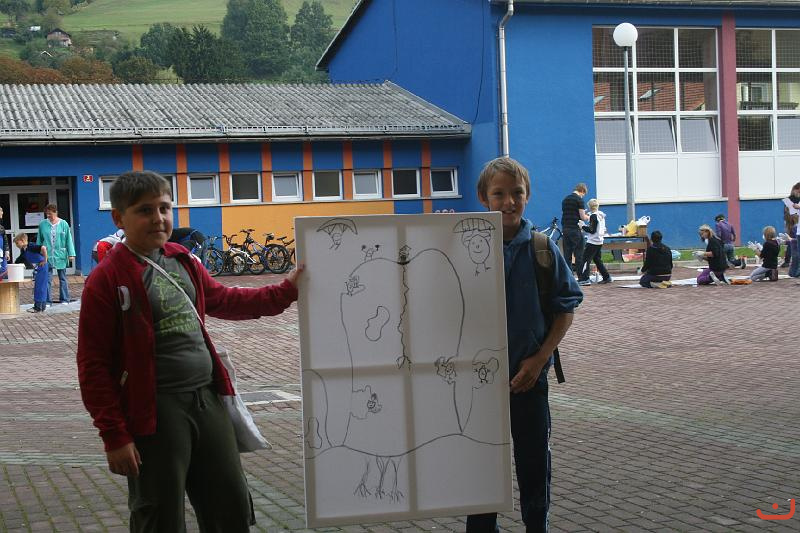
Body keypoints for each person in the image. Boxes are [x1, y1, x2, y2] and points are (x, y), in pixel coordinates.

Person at [76, 170, 305, 532]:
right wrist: (114, 436)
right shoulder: (106, 279)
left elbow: (226, 300)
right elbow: (93, 365)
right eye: (145, 210)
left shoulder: (182, 259)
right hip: (155, 411)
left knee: (230, 505)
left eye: (164, 208)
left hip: (207, 398)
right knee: (159, 514)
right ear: (119, 218)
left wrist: (285, 291)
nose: (158, 218)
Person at [468, 157, 583, 532]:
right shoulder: (463, 247)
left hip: (528, 382)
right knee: (481, 470)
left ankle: (537, 525)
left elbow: (565, 308)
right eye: (498, 194)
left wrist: (539, 359)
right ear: (483, 198)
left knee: (534, 466)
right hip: (476, 386)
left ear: (528, 195)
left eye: (516, 193)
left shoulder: (542, 249)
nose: (508, 202)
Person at [36, 204, 76, 304]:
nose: (48, 216)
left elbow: (68, 239)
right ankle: (47, 301)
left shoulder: (64, 224)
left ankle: (64, 299)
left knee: (63, 278)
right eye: (47, 214)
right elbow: (39, 240)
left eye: (50, 214)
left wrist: (71, 254)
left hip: (60, 254)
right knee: (47, 279)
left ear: (55, 212)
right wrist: (38, 254)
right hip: (47, 255)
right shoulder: (42, 224)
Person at [577, 198, 611, 286]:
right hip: (599, 241)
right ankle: (606, 277)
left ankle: (584, 279)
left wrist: (582, 226)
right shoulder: (600, 215)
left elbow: (592, 230)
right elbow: (597, 226)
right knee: (597, 260)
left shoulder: (593, 216)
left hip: (592, 242)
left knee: (585, 260)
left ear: (589, 207)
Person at [12, 233, 49, 313]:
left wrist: (45, 260)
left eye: (17, 243)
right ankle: (42, 307)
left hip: (42, 267)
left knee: (40, 287)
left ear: (22, 240)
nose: (16, 245)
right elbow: (20, 258)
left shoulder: (31, 246)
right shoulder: (24, 250)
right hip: (37, 268)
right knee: (39, 287)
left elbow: (43, 248)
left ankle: (38, 307)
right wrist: (13, 265)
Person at [560, 182, 589, 273]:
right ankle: (581, 276)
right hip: (575, 229)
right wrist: (588, 216)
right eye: (583, 194)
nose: (583, 196)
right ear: (582, 191)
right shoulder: (579, 200)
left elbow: (567, 213)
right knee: (579, 253)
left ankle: (569, 276)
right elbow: (582, 217)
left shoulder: (565, 199)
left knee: (567, 254)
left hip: (565, 229)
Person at [783, 182, 800, 275]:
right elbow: (786, 210)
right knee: (791, 243)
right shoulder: (790, 198)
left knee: (794, 246)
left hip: (795, 221)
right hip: (791, 221)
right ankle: (787, 261)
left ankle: (794, 270)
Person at [0, 206, 8, 278]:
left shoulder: (1, 227)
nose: (2, 213)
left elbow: (5, 240)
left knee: (4, 270)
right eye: (1, 211)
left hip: (2, 254)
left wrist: (7, 251)